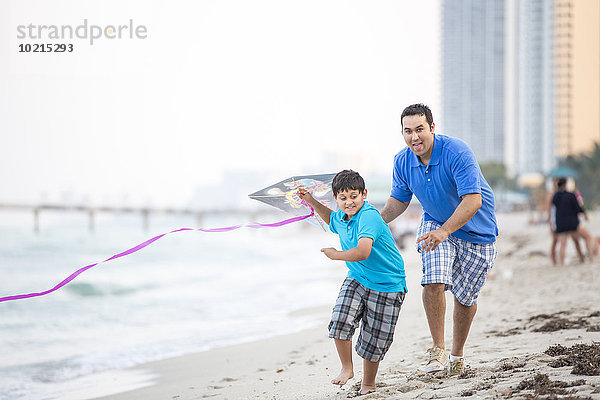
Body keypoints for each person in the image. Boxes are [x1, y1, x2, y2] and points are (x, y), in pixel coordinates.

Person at [381, 103, 498, 376]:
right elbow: (398, 202)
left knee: (466, 299)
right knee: (433, 279)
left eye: (420, 129)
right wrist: (369, 222)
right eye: (408, 131)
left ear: (432, 128)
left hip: (477, 232)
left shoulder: (457, 152)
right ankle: (438, 350)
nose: (414, 137)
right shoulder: (402, 161)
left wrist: (446, 230)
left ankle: (457, 355)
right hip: (434, 223)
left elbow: (473, 200)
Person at [297, 170, 407, 395]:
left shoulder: (368, 216)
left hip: (388, 284)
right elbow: (331, 220)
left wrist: (335, 254)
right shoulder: (342, 215)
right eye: (343, 198)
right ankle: (347, 368)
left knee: (374, 340)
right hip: (357, 278)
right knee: (339, 321)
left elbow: (363, 251)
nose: (349, 202)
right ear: (336, 198)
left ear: (364, 194)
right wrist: (310, 201)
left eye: (353, 196)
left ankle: (368, 383)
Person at [548, 179, 584, 265]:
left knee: (562, 244)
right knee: (577, 241)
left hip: (560, 224)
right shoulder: (570, 195)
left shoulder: (555, 196)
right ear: (566, 184)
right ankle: (585, 259)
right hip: (571, 223)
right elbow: (578, 209)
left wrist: (551, 224)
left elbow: (552, 211)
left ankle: (562, 263)